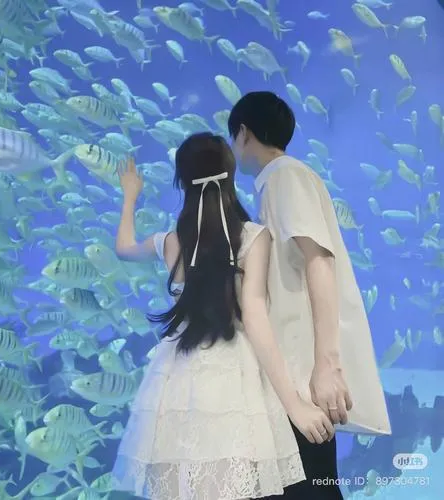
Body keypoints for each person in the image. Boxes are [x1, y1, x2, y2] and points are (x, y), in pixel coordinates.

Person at [111, 132, 336, 500]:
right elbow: (255, 316)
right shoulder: (253, 237)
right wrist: (294, 406)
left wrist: (130, 195)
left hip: (177, 379)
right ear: (230, 177)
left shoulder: (171, 241)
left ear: (182, 183)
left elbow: (123, 249)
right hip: (237, 378)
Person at [228, 91, 391, 500]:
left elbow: (319, 259)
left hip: (303, 380)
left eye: (233, 137)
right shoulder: (279, 181)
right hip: (294, 377)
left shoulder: (285, 176)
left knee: (310, 487)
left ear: (243, 133)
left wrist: (327, 365)